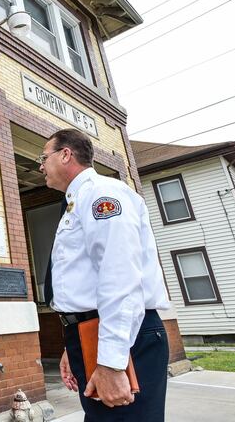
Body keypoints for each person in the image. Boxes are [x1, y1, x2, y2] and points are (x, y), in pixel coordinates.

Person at [39, 129, 171, 421]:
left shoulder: (102, 194)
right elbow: (84, 281)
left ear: (65, 154)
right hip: (93, 333)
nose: (40, 166)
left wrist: (111, 362)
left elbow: (120, 277)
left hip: (126, 339)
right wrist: (73, 338)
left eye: (43, 157)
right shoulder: (76, 202)